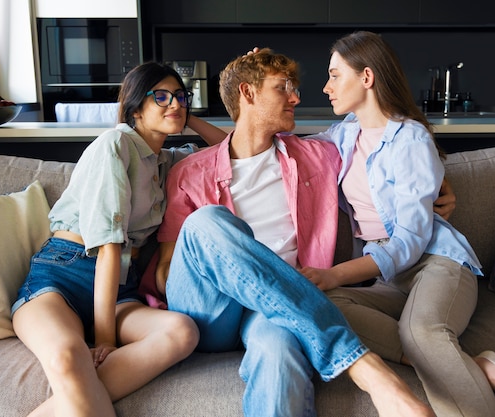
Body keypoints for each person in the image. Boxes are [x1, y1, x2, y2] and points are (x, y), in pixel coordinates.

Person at [140, 48, 434, 417]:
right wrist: (232, 265)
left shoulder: (318, 154)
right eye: (283, 88)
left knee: (279, 350)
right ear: (247, 94)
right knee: (208, 221)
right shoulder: (189, 173)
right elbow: (167, 270)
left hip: (279, 310)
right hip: (210, 309)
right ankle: (365, 368)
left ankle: (340, 353)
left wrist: (438, 183)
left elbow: (384, 144)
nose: (296, 97)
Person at [298, 31, 495, 417]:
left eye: (334, 75)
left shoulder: (410, 139)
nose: (326, 86)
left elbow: (411, 242)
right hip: (392, 281)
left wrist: (335, 273)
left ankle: (451, 365)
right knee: (320, 305)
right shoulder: (344, 134)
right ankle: (476, 367)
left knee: (421, 333)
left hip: (436, 263)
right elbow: (273, 145)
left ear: (366, 77)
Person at [11, 62, 223, 417]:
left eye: (181, 97)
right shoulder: (116, 143)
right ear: (136, 107)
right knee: (68, 355)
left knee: (182, 331)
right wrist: (106, 340)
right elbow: (109, 247)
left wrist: (187, 118)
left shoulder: (166, 161)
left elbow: (232, 150)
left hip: (121, 286)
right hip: (63, 273)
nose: (175, 103)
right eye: (161, 96)